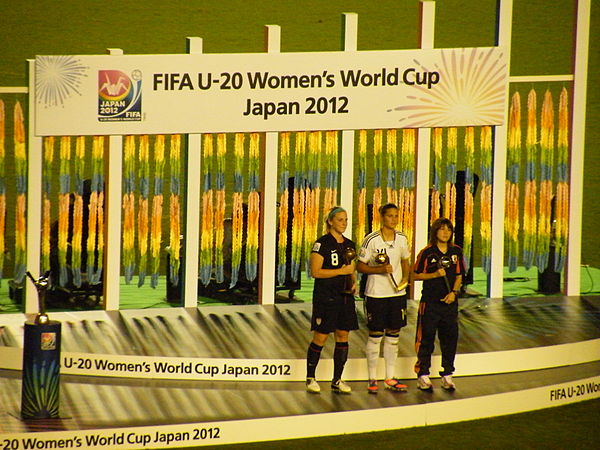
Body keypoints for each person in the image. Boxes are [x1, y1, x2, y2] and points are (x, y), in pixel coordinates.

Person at [357, 203, 411, 393]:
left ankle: (390, 377)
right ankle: (372, 378)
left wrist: (405, 279)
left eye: (396, 216)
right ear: (382, 217)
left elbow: (405, 260)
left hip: (396, 294)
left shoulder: (403, 238)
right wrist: (379, 270)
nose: (394, 220)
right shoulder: (371, 239)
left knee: (394, 333)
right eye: (390, 216)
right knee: (375, 335)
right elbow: (360, 266)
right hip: (376, 294)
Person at [305, 206, 358, 394]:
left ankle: (337, 379)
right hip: (326, 297)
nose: (344, 223)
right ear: (330, 221)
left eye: (346, 220)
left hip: (345, 298)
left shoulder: (350, 244)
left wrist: (353, 281)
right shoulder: (321, 244)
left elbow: (351, 268)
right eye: (340, 220)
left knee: (343, 335)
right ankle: (311, 377)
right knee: (321, 336)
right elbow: (316, 272)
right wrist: (341, 272)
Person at [412, 217, 465, 391]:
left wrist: (454, 293)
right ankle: (423, 375)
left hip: (449, 304)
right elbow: (415, 275)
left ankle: (448, 374)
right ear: (435, 231)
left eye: (448, 230)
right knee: (426, 338)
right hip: (430, 303)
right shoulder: (427, 253)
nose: (445, 233)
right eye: (442, 229)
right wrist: (434, 275)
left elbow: (459, 275)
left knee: (450, 339)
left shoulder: (456, 251)